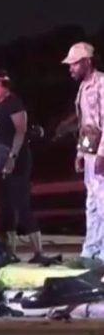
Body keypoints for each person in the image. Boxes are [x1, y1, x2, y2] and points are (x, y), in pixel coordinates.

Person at [0, 68, 48, 263]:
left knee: (22, 206)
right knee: (5, 208)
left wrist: (12, 158)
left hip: (16, 162)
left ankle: (39, 252)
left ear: (0, 84)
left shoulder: (13, 103)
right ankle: (10, 253)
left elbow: (21, 131)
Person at [62, 42, 104, 268]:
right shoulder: (83, 88)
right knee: (92, 204)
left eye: (74, 64)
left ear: (87, 62)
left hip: (101, 154)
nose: (71, 68)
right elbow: (85, 126)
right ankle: (91, 250)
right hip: (90, 152)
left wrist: (101, 154)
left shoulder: (102, 84)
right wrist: (81, 152)